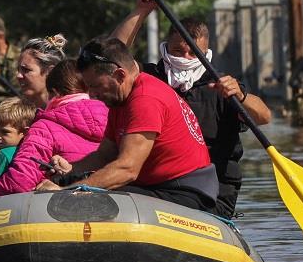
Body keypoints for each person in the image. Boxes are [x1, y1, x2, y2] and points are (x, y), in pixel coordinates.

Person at [112, 0, 272, 217]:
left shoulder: (221, 86)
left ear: (205, 52)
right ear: (166, 48)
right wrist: (141, 10)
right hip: (158, 187)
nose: (185, 58)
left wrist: (241, 94)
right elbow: (113, 58)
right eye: (178, 51)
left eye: (192, 52)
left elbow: (264, 116)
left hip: (210, 194)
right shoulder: (150, 78)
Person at [46, 38, 218, 213]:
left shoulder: (145, 99)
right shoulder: (119, 98)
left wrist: (65, 192)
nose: (92, 94)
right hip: (157, 187)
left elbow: (127, 169)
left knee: (92, 198)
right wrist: (71, 169)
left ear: (120, 75)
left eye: (96, 86)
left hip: (184, 194)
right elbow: (105, 155)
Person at [0, 59, 108, 199]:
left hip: (62, 212)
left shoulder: (45, 126)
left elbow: (19, 181)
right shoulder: (112, 117)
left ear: (53, 92)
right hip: (117, 207)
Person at [16, 34, 68, 108]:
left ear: (50, 72)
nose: (18, 75)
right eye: (18, 69)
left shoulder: (67, 111)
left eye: (26, 70)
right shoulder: (18, 114)